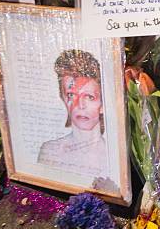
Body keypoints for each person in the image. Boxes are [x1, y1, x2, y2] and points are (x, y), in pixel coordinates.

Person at [38, 50, 110, 179]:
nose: (80, 105)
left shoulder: (113, 157)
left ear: (103, 104)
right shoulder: (50, 151)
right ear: (63, 98)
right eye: (71, 95)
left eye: (89, 96)